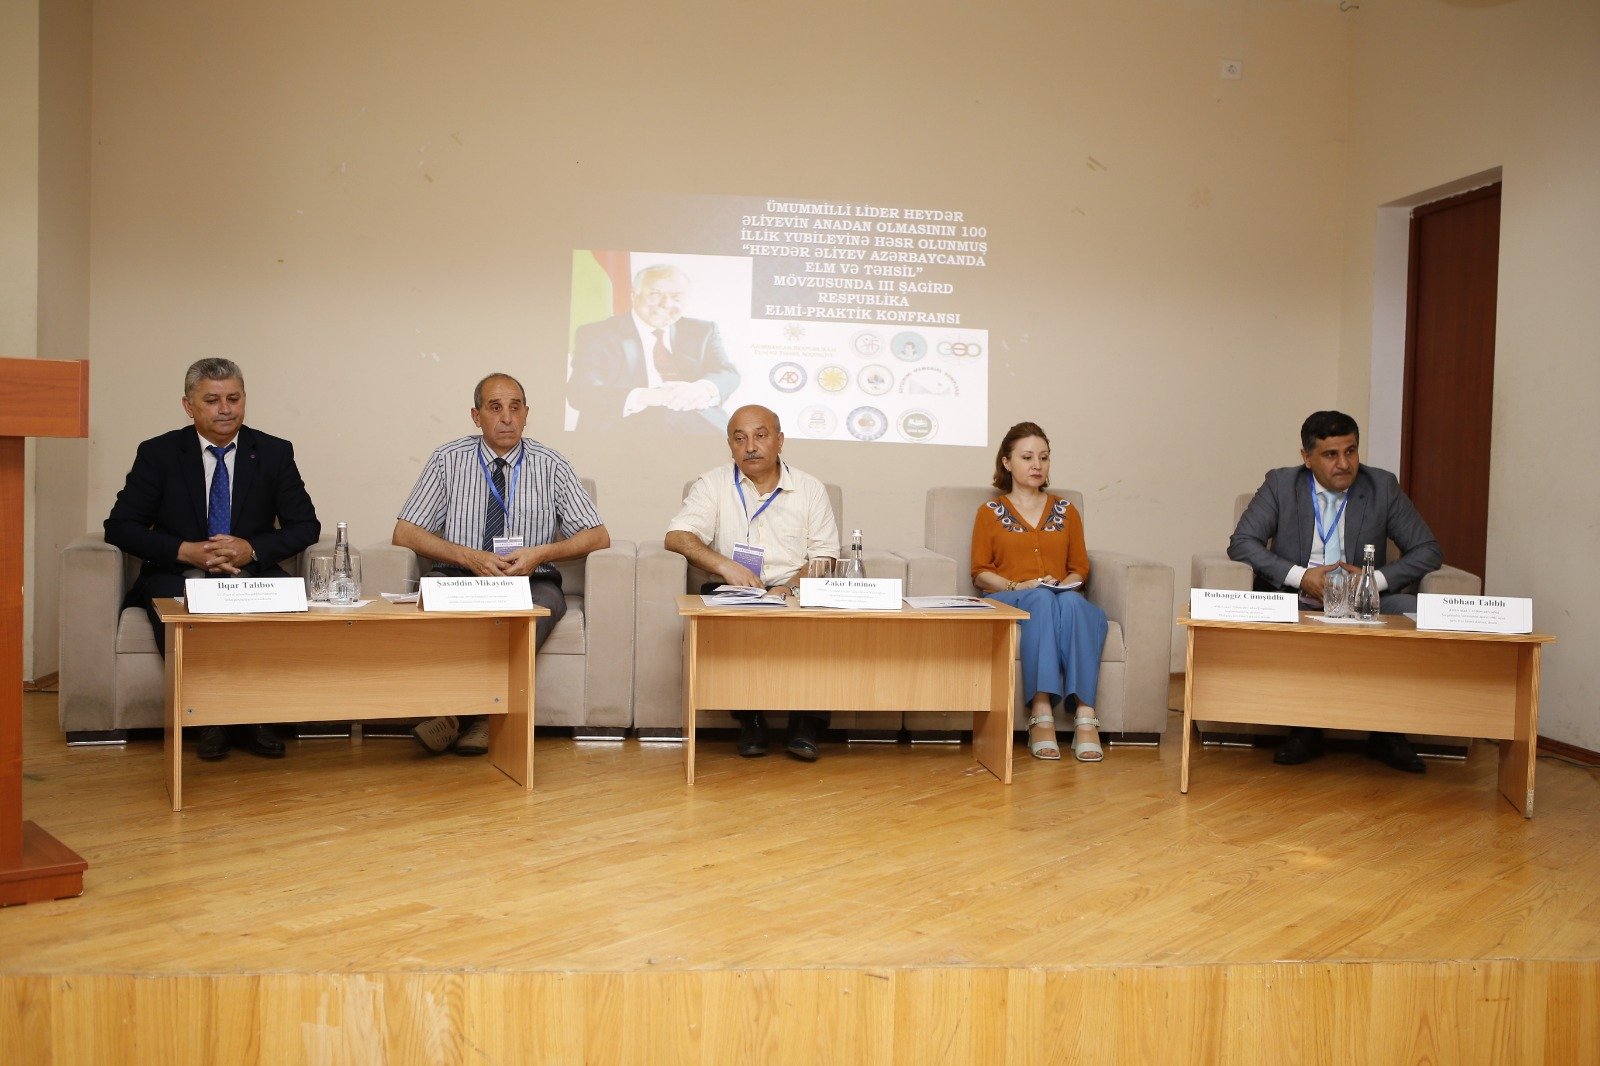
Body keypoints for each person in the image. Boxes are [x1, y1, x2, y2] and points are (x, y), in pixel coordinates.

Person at [104, 358, 321, 761]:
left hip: (249, 569)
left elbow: (306, 526)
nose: (225, 409)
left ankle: (256, 719)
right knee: (176, 601)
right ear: (189, 406)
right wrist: (184, 550)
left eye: (234, 399)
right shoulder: (159, 453)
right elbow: (119, 526)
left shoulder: (273, 452)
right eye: (212, 400)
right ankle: (209, 721)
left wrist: (251, 548)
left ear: (244, 400)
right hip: (176, 570)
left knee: (285, 600)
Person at [395, 372, 610, 755]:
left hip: (530, 577)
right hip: (460, 573)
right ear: (476, 416)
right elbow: (405, 533)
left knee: (542, 606)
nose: (507, 418)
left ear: (527, 414)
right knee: (427, 600)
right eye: (495, 408)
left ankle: (465, 717)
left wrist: (540, 553)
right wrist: (468, 556)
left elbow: (598, 536)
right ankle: (476, 717)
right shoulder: (447, 460)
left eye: (515, 408)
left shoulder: (552, 465)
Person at [1228, 409, 1444, 773]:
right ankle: (1305, 730)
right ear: (1306, 457)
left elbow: (1428, 550)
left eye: (1351, 451)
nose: (1344, 464)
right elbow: (1242, 543)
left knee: (1415, 612)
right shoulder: (1281, 484)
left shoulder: (1381, 486)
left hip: (1364, 600)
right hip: (1298, 597)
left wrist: (1373, 581)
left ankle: (1388, 733)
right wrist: (1301, 576)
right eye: (1331, 454)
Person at [664, 405, 839, 761]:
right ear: (730, 445)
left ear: (780, 440)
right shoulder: (712, 484)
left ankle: (806, 725)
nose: (751, 447)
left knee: (822, 621)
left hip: (794, 588)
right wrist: (725, 566)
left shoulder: (809, 488)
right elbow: (677, 536)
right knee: (724, 614)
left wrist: (788, 587)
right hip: (736, 591)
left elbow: (826, 556)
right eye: (740, 439)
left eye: (760, 436)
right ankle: (751, 721)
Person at [970, 422, 1110, 762]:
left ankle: (1085, 714)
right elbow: (981, 572)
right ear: (1007, 462)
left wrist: (1063, 583)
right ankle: (1041, 712)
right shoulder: (989, 513)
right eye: (1027, 457)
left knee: (1072, 603)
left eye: (1044, 458)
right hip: (1009, 597)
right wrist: (1019, 586)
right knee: (1041, 598)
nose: (1037, 465)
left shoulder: (1066, 510)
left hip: (1056, 596)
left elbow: (1079, 568)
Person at [567, 264, 740, 433]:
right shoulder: (597, 334)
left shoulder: (702, 331)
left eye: (676, 297)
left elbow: (727, 373)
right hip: (625, 427)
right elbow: (581, 390)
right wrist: (650, 397)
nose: (666, 304)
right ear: (634, 295)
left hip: (695, 421)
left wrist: (700, 389)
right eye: (655, 295)